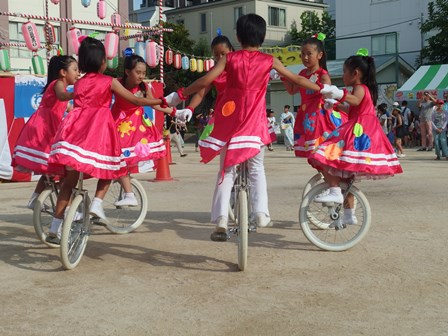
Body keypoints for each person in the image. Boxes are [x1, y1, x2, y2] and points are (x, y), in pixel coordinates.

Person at [165, 14, 322, 239]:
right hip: (255, 126)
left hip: (231, 125)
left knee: (226, 171)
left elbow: (205, 81)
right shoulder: (269, 60)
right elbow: (296, 80)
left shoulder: (229, 59)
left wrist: (178, 95)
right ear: (264, 36)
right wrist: (322, 89)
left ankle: (220, 218)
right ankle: (261, 213)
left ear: (238, 37)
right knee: (257, 170)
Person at [45, 37, 173, 244]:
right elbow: (137, 100)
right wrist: (161, 99)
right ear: (104, 61)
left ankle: (54, 227)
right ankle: (96, 203)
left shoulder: (79, 82)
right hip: (99, 131)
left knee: (68, 182)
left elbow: (64, 97)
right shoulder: (109, 81)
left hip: (74, 132)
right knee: (111, 167)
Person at [308, 49, 403, 224]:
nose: (343, 75)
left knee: (321, 155)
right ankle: (349, 214)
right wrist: (335, 105)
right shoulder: (363, 89)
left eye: (345, 71)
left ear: (356, 73)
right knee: (346, 175)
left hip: (358, 130)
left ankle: (335, 191)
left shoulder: (360, 88)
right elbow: (351, 108)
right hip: (361, 128)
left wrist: (338, 94)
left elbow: (355, 101)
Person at [12, 55, 79, 209]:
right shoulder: (58, 84)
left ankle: (35, 200)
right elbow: (62, 96)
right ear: (63, 72)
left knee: (50, 170)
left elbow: (69, 107)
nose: (78, 73)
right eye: (75, 69)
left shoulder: (59, 85)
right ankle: (66, 207)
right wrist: (79, 93)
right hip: (43, 130)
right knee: (59, 168)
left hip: (47, 129)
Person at [111, 54, 173, 206]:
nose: (141, 76)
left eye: (144, 73)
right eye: (138, 72)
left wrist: (173, 111)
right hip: (118, 122)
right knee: (113, 159)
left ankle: (124, 192)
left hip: (135, 126)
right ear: (127, 71)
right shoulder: (117, 83)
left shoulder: (144, 87)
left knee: (120, 159)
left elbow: (154, 104)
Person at [281, 34, 346, 157]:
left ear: (319, 55)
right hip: (306, 114)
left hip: (319, 114)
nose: (305, 57)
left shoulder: (323, 74)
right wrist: (283, 77)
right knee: (312, 152)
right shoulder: (302, 73)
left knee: (321, 149)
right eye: (302, 54)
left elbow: (328, 95)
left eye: (309, 54)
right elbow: (292, 90)